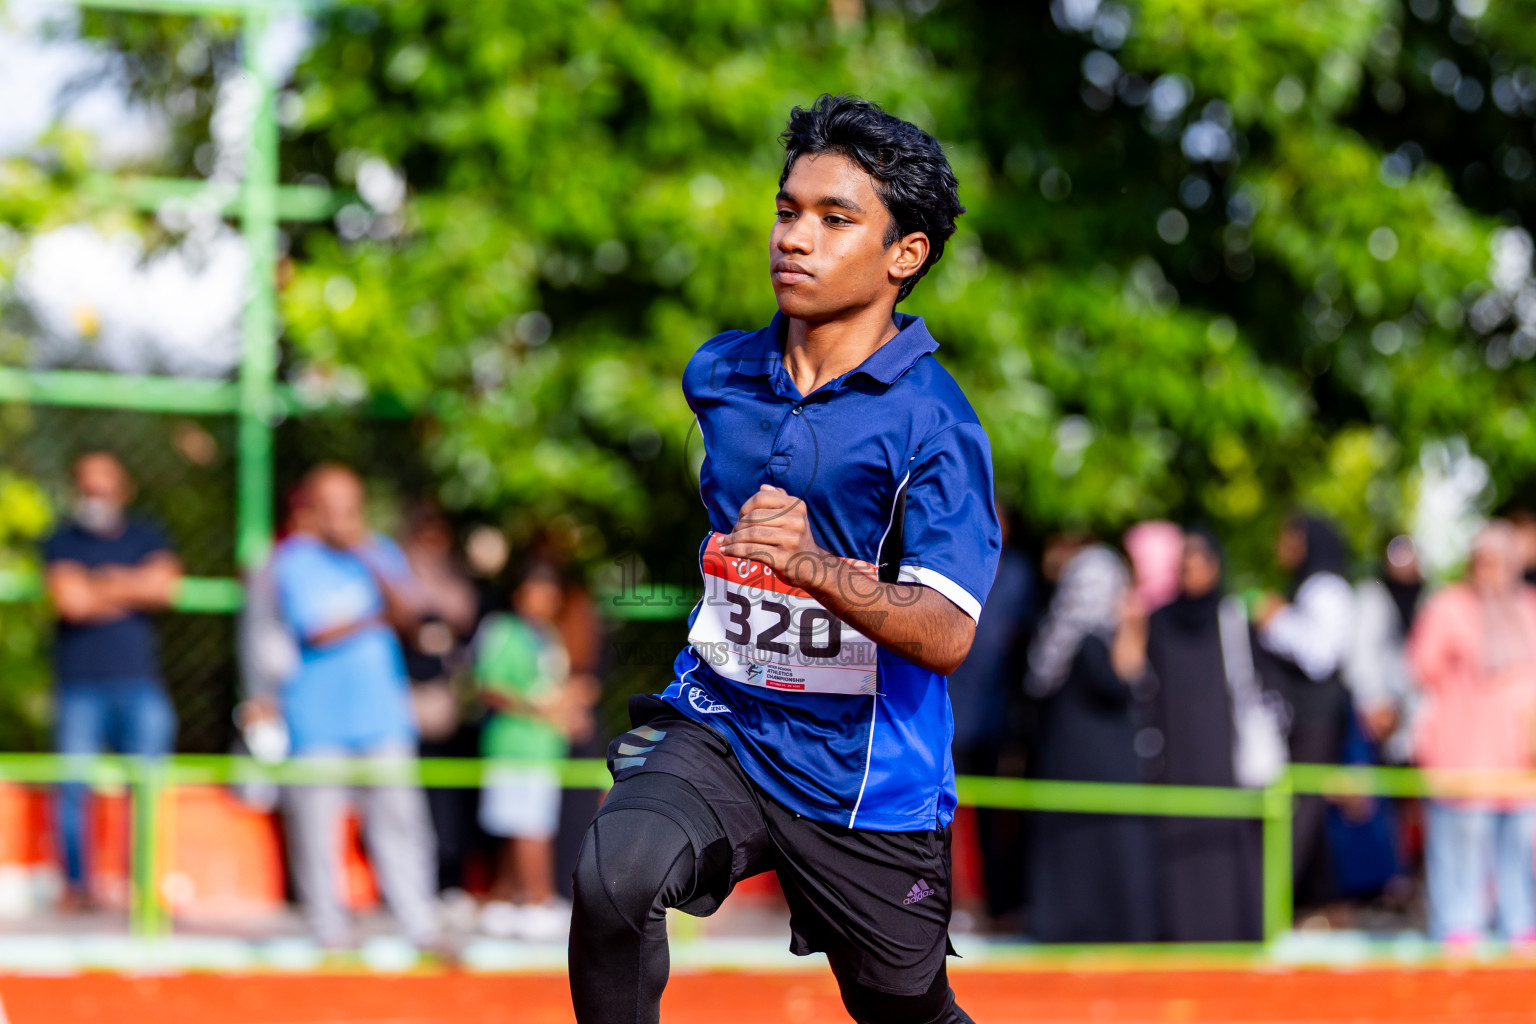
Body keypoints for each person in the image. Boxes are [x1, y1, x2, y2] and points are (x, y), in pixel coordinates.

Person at [568, 94, 998, 1024]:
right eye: (787, 210)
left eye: (836, 220)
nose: (794, 238)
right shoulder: (718, 376)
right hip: (723, 721)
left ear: (905, 255)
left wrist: (810, 565)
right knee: (615, 879)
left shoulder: (937, 424)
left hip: (865, 779)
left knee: (906, 1011)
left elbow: (947, 633)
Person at [267, 464, 441, 950]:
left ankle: (419, 925)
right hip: (316, 721)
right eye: (333, 507)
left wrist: (368, 558)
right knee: (317, 832)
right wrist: (374, 617)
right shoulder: (292, 560)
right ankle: (328, 929)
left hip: (383, 718)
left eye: (351, 507)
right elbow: (318, 630)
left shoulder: (379, 552)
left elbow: (411, 616)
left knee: (402, 825)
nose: (343, 517)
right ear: (312, 509)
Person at [43, 451, 182, 908]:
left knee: (147, 786)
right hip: (78, 683)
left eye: (103, 488)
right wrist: (131, 587)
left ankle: (140, 888)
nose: (96, 497)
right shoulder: (62, 539)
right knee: (72, 787)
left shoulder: (146, 533)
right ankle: (77, 889)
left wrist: (98, 586)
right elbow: (71, 602)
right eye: (87, 488)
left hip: (138, 681)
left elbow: (164, 588)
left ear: (123, 489)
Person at [1409, 521, 1536, 947]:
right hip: (1463, 752)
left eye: (1499, 562)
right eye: (1483, 561)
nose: (1491, 571)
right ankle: (1458, 927)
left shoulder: (1528, 608)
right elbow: (1422, 667)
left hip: (1520, 758)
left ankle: (1520, 924)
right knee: (1460, 846)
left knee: (1519, 848)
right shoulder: (1449, 607)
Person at [1023, 543, 1157, 943]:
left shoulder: (1058, 638)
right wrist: (1133, 627)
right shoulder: (1093, 642)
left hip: (1067, 763)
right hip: (1102, 769)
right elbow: (1122, 679)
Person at [1145, 528, 1264, 942]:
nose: (1191, 570)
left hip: (1222, 754)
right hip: (1174, 755)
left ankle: (1229, 930)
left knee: (1223, 836)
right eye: (1185, 563)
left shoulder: (1230, 619)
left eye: (1200, 562)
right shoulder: (1160, 621)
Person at [474, 562, 596, 940]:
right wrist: (536, 709)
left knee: (520, 823)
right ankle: (537, 899)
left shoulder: (547, 636)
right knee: (529, 826)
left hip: (544, 746)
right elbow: (487, 686)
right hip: (515, 744)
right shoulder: (501, 630)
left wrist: (569, 708)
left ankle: (506, 898)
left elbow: (550, 688)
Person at [1254, 514, 1354, 914]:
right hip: (1299, 720)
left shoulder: (1325, 587)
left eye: (1288, 537)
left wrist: (1276, 619)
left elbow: (1320, 655)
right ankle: (1310, 903)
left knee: (1300, 814)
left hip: (1317, 721)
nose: (1280, 546)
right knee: (1302, 813)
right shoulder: (1305, 585)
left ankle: (1276, 907)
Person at [947, 502, 1036, 927]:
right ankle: (940, 900)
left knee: (992, 819)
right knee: (942, 814)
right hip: (949, 710)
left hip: (996, 715)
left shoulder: (1018, 574)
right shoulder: (950, 560)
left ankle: (996, 905)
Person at [1344, 535, 1424, 765]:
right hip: (1379, 714)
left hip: (1419, 715)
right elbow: (1360, 653)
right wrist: (1373, 699)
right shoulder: (1372, 596)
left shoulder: (1429, 597)